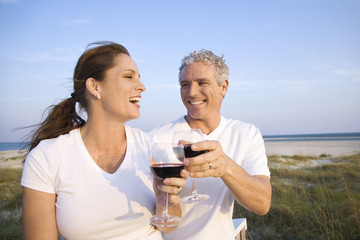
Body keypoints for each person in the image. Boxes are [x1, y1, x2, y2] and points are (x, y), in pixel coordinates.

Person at [21, 42, 186, 240]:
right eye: (128, 77)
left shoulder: (150, 147)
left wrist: (164, 201)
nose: (141, 86)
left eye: (139, 78)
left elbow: (169, 227)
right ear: (94, 86)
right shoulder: (47, 157)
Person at [150, 49, 272, 239]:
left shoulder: (246, 134)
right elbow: (157, 220)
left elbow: (262, 204)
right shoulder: (157, 138)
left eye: (202, 83)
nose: (192, 92)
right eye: (185, 84)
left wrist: (226, 167)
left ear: (223, 87)